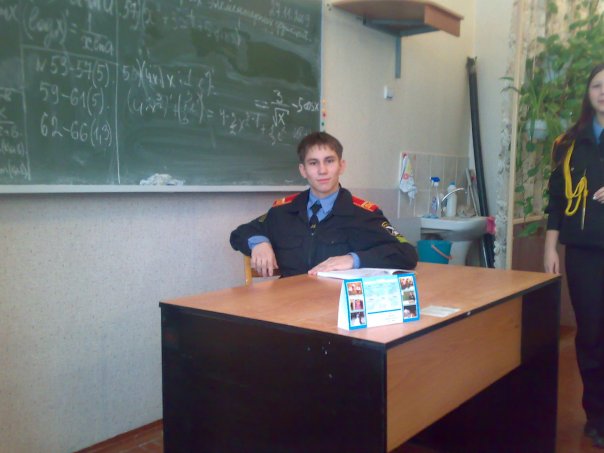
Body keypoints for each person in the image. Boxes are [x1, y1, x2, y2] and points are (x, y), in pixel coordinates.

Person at [230, 131, 418, 278]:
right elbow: (241, 233)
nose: (322, 170)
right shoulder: (284, 211)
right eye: (313, 163)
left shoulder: (364, 214)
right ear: (303, 170)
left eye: (329, 161)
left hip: (336, 305)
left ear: (341, 166)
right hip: (288, 303)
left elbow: (406, 253)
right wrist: (259, 243)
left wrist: (353, 259)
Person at [544, 63, 604, 448]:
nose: (603, 91)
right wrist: (550, 247)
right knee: (592, 333)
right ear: (588, 92)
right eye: (597, 85)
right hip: (583, 253)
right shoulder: (568, 142)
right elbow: (556, 199)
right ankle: (596, 415)